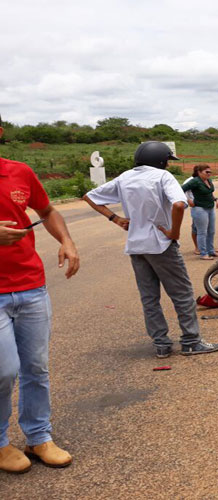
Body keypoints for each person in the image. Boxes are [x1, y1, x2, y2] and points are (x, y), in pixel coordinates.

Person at [83, 141, 218, 359]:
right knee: (182, 294)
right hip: (161, 245)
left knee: (149, 298)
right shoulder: (163, 177)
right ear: (160, 160)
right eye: (167, 160)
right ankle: (191, 341)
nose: (167, 164)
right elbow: (178, 204)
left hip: (137, 246)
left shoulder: (125, 177)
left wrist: (115, 218)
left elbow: (90, 196)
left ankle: (161, 344)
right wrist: (174, 232)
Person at [0, 117, 80, 473]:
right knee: (3, 371)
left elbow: (46, 210)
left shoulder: (19, 172)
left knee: (36, 367)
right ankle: (1, 443)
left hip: (31, 286)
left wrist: (66, 240)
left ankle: (38, 436)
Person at [181, 164, 218, 260]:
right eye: (207, 172)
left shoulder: (208, 180)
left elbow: (209, 192)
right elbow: (180, 189)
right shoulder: (195, 181)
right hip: (199, 209)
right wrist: (188, 200)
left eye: (210, 172)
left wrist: (215, 199)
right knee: (202, 232)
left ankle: (211, 251)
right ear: (199, 172)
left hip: (210, 207)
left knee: (211, 231)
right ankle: (203, 253)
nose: (209, 174)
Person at [182, 167, 199, 255]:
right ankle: (197, 247)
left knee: (206, 228)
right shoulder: (190, 181)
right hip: (195, 207)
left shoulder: (203, 180)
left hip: (204, 207)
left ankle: (205, 247)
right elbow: (181, 191)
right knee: (196, 228)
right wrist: (189, 201)